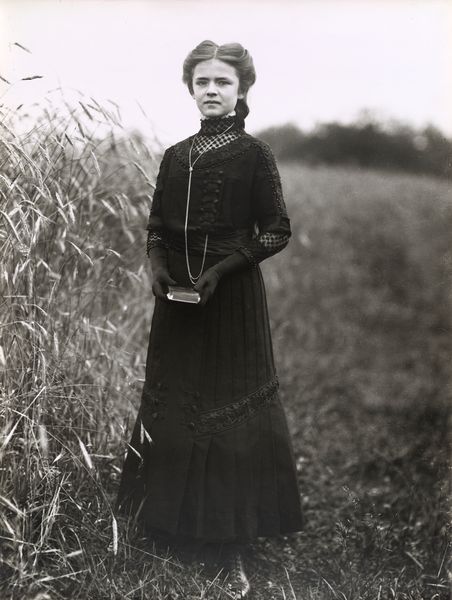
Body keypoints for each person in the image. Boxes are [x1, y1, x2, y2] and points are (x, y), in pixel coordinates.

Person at [116, 40, 303, 598]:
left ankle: (228, 545)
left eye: (223, 82)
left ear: (242, 90)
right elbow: (155, 223)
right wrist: (155, 263)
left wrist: (223, 269)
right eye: (203, 83)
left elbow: (276, 229)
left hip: (232, 296)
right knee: (175, 397)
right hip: (176, 299)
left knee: (226, 404)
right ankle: (169, 526)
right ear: (191, 90)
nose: (213, 91)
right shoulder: (175, 155)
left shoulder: (255, 155)